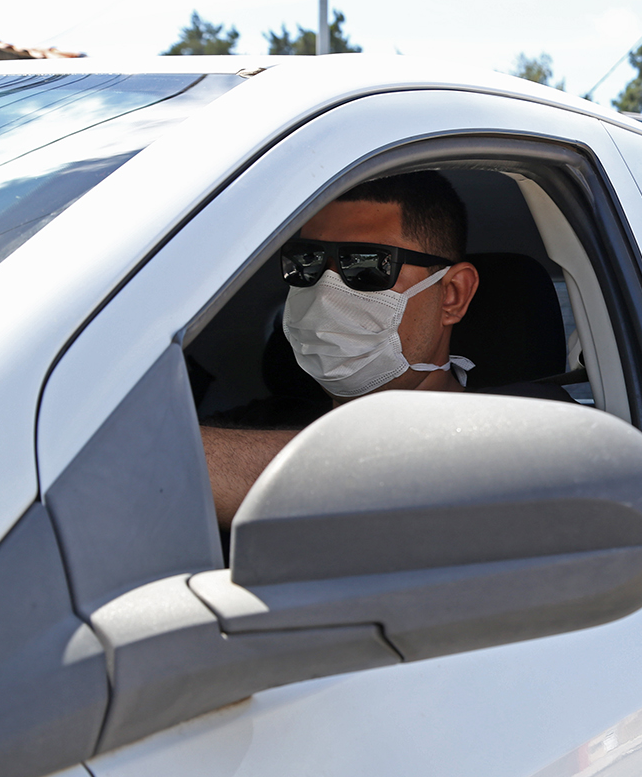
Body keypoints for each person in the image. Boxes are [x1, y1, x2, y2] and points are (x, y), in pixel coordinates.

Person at [201, 171, 479, 529]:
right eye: (307, 261)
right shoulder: (253, 423)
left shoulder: (526, 435)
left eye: (366, 263)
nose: (325, 291)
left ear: (453, 294)